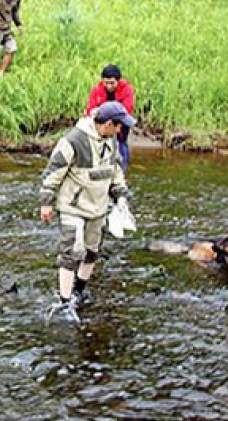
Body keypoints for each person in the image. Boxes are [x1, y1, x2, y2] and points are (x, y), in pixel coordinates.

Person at [39, 101, 136, 323]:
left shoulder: (111, 140)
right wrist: (46, 202)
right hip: (72, 206)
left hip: (98, 206)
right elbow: (53, 172)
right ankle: (64, 303)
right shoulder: (73, 140)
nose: (122, 131)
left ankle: (78, 292)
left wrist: (120, 197)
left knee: (92, 251)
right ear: (109, 124)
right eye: (120, 126)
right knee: (71, 251)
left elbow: (116, 171)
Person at [84, 64, 137, 175]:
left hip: (120, 127)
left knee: (121, 149)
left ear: (118, 81)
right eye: (106, 83)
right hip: (102, 129)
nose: (109, 86)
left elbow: (128, 108)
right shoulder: (96, 91)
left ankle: (121, 173)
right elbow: (91, 110)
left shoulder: (127, 90)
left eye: (112, 83)